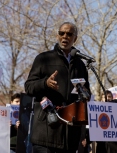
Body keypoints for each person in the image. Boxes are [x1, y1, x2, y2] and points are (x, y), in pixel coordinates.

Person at [25, 22, 91, 153]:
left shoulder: (80, 65)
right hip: (46, 131)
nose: (65, 36)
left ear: (75, 38)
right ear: (57, 36)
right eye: (62, 33)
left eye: (69, 34)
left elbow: (86, 92)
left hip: (69, 135)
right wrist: (45, 83)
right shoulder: (44, 59)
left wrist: (85, 94)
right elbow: (28, 86)